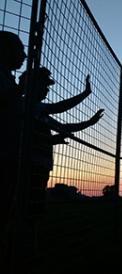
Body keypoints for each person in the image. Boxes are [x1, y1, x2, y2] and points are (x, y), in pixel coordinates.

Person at [18, 67, 104, 240]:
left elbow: (63, 127)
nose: (47, 90)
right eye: (44, 86)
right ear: (31, 85)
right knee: (25, 206)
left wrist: (89, 122)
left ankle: (28, 244)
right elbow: (60, 108)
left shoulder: (38, 111)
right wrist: (85, 93)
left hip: (41, 165)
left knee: (35, 206)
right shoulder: (26, 105)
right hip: (29, 165)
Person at [0, 31, 26, 260]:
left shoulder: (8, 78)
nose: (24, 55)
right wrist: (20, 89)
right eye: (20, 50)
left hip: (9, 154)